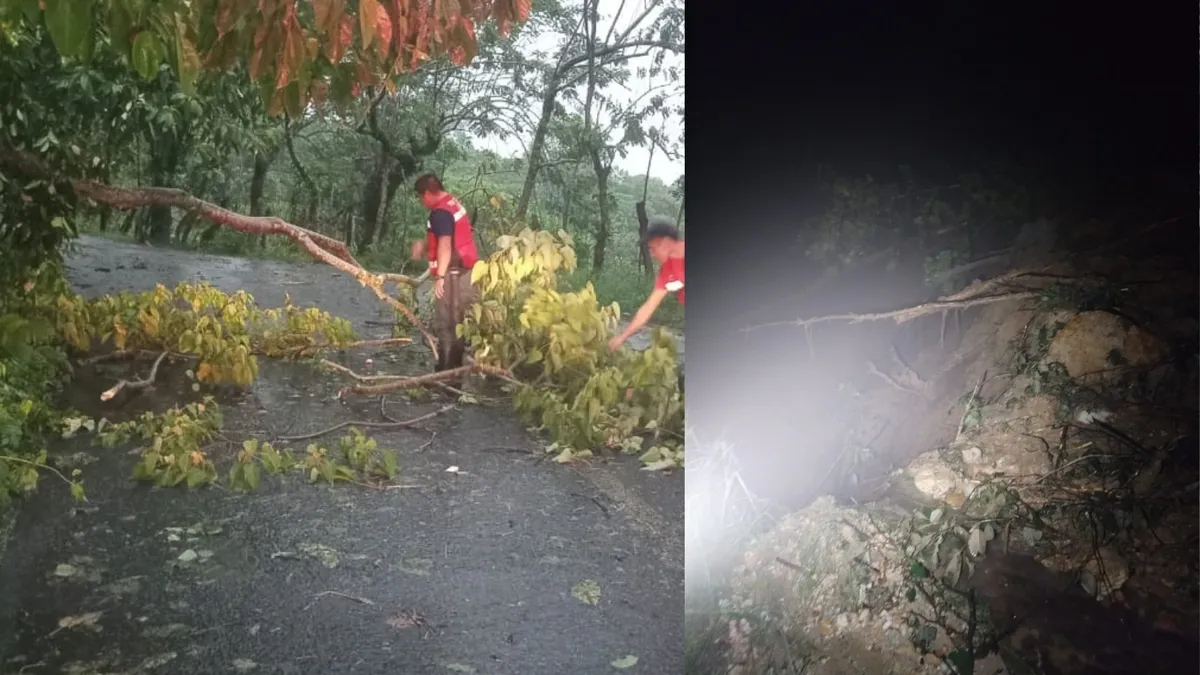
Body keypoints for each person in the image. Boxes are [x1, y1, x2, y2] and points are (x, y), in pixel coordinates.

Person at [409, 173, 480, 373]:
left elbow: (446, 245)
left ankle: (446, 376)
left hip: (453, 277)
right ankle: (455, 372)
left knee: (448, 326)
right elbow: (449, 235)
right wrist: (424, 245)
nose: (422, 202)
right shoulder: (452, 203)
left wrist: (440, 277)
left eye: (421, 198)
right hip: (467, 273)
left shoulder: (440, 213)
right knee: (459, 326)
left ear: (427, 194)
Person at [608, 219, 685, 352]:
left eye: (653, 249)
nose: (652, 255)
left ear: (666, 243)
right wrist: (622, 337)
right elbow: (648, 307)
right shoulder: (667, 272)